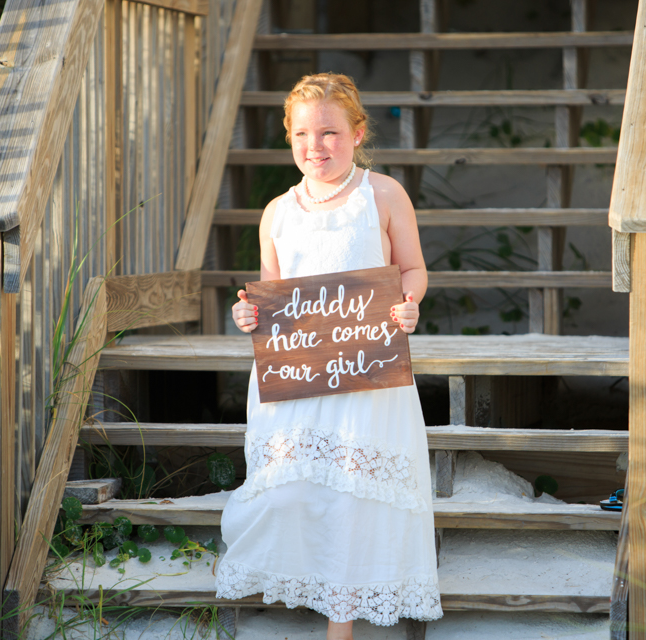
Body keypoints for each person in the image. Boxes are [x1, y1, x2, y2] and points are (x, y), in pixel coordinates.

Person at [214, 73, 442, 639]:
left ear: (358, 133)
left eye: (330, 133)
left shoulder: (382, 194)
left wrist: (408, 303)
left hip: (366, 372)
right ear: (288, 139)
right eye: (301, 135)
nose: (315, 147)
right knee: (293, 487)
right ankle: (303, 580)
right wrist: (249, 315)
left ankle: (342, 625)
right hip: (299, 373)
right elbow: (272, 293)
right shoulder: (277, 211)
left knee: (353, 491)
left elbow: (412, 267)